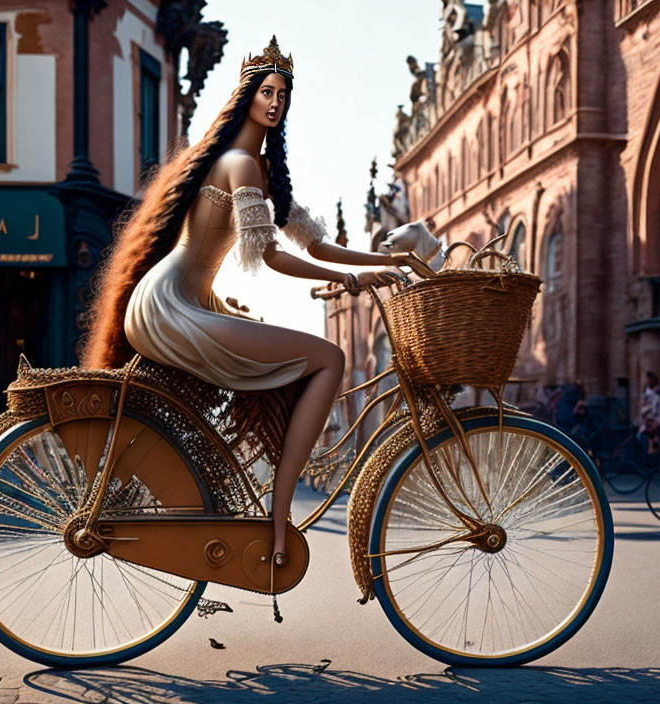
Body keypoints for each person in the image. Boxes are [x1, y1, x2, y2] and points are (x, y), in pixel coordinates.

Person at [82, 37, 418, 609]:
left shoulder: (256, 168)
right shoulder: (238, 163)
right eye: (266, 92)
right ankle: (279, 517)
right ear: (245, 98)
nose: (275, 102)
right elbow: (268, 255)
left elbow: (316, 243)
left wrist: (384, 261)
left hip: (185, 303)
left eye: (283, 94)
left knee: (303, 364)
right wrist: (349, 284)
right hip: (171, 308)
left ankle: (250, 499)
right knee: (330, 358)